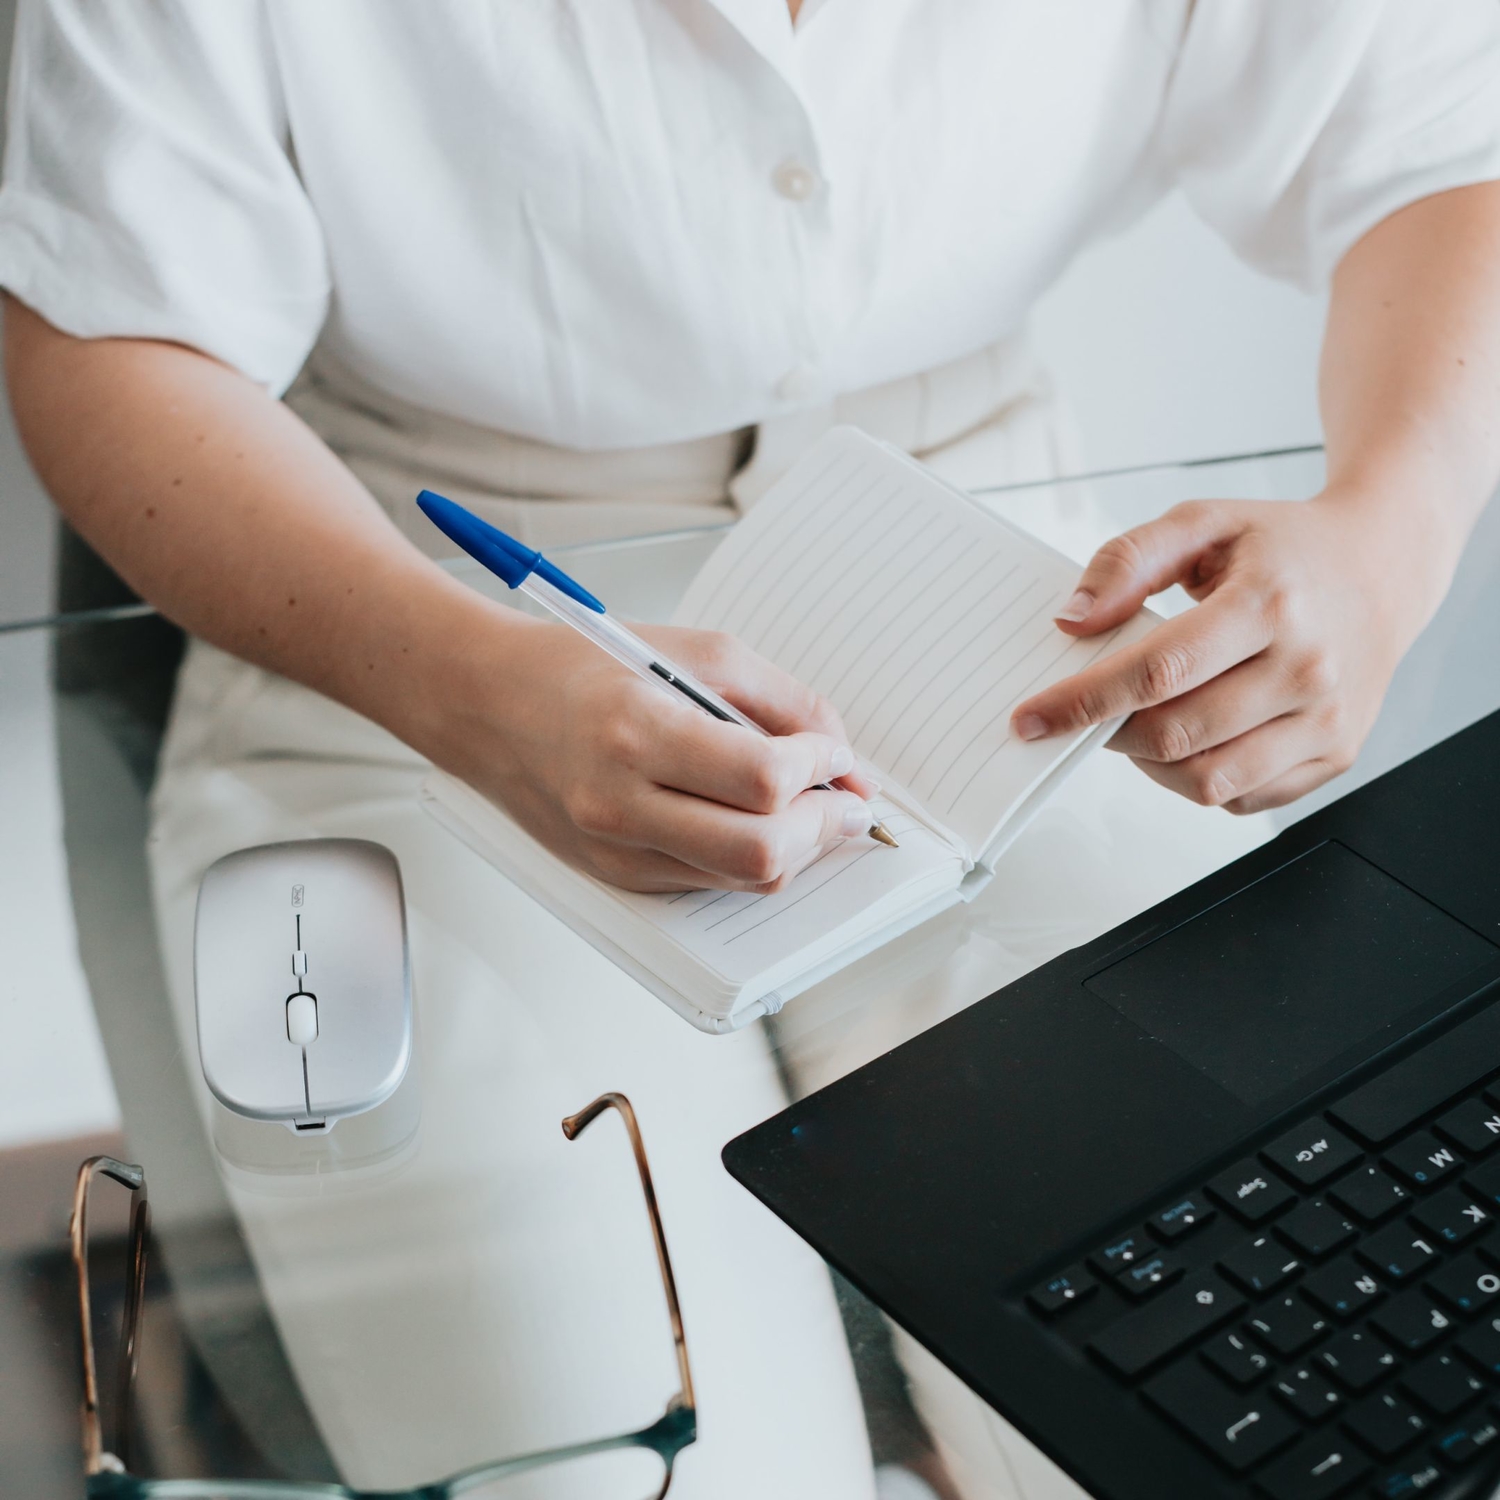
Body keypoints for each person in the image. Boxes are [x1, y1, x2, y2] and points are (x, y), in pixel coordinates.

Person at [3, 4, 1498, 1497]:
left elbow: (1445, 143)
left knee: (1287, 1341)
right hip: (409, 620)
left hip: (1007, 606)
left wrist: (1389, 530)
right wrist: (474, 693)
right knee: (610, 1464)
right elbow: (108, 331)